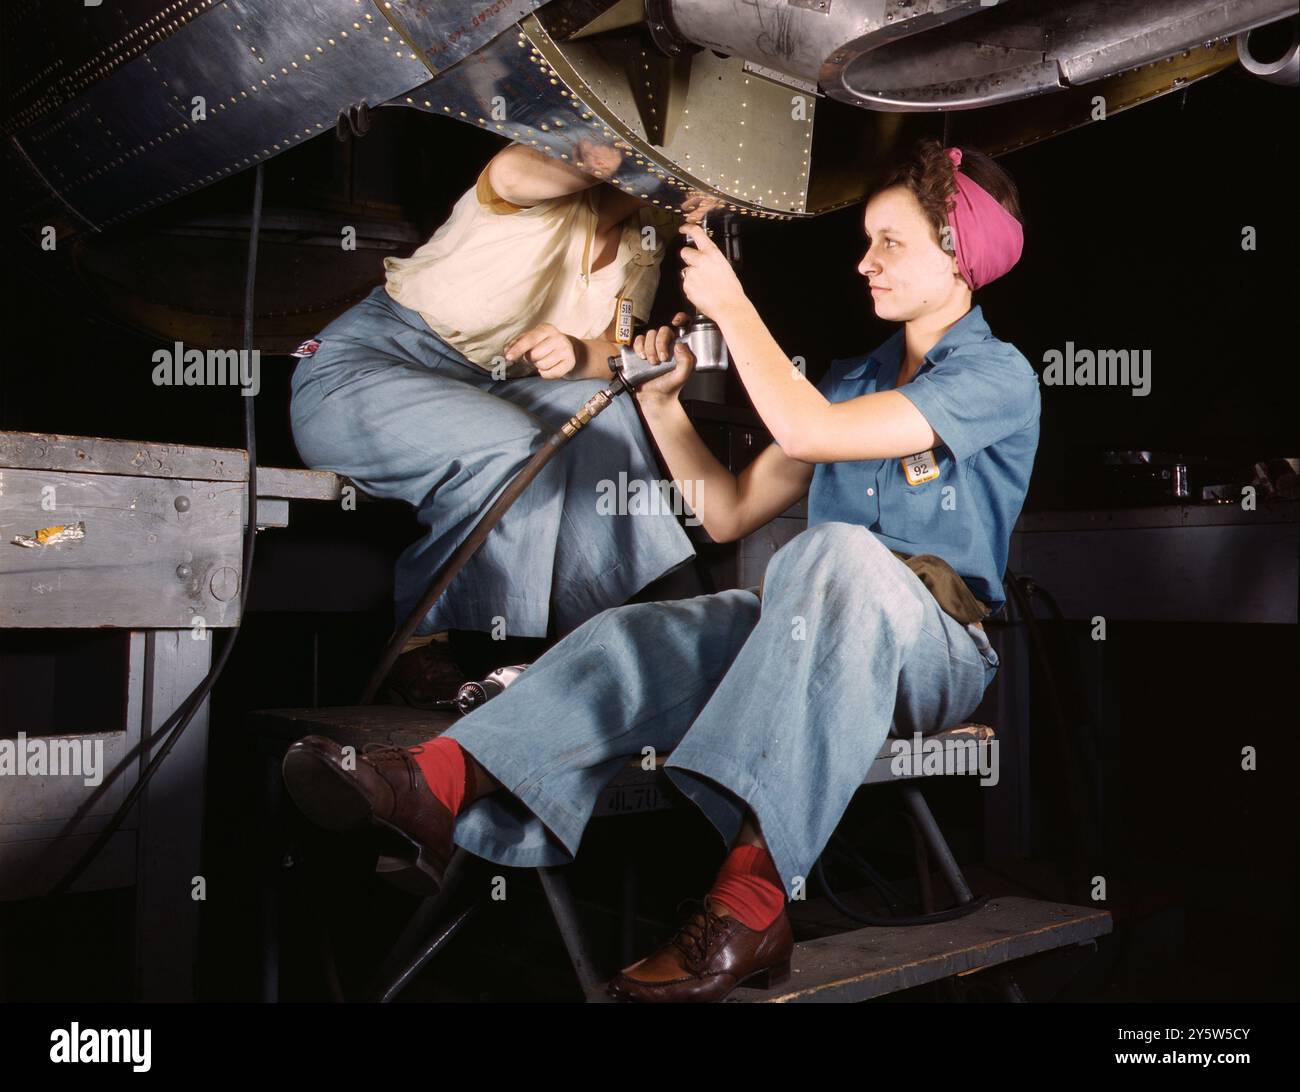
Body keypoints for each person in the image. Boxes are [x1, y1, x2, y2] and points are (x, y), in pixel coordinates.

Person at [282, 138, 1040, 1002]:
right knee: (642, 633)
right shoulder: (851, 377)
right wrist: (661, 403)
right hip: (808, 627)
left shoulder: (997, 375)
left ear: (958, 256)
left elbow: (807, 436)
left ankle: (750, 905)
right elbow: (725, 510)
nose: (864, 263)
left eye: (890, 244)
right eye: (864, 240)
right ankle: (433, 787)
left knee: (834, 552)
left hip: (932, 651)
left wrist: (735, 306)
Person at [287, 139, 700, 702]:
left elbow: (614, 346)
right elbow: (511, 174)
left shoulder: (645, 241)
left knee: (609, 415)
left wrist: (581, 353)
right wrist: (613, 158)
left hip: (490, 389)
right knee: (511, 445)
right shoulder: (536, 181)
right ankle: (434, 648)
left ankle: (629, 639)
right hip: (367, 368)